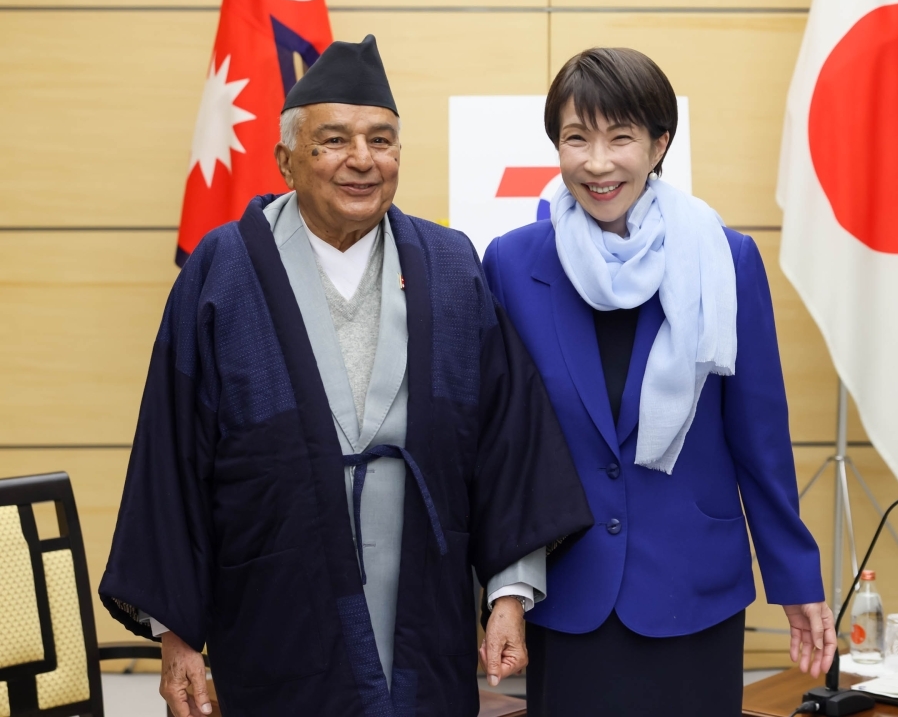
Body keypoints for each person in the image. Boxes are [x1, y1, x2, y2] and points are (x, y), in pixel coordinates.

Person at [99, 35, 592, 717]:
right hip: (274, 614)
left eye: (381, 140)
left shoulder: (451, 266)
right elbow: (171, 460)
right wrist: (176, 636)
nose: (362, 159)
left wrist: (506, 596)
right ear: (285, 160)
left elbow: (509, 443)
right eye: (333, 140)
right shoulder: (224, 270)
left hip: (426, 615)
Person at [481, 47, 836, 717]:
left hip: (693, 588)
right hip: (570, 592)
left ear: (659, 144)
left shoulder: (724, 257)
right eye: (576, 138)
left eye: (620, 137)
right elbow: (505, 447)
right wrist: (504, 593)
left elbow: (759, 438)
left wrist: (795, 577)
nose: (597, 162)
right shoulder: (511, 263)